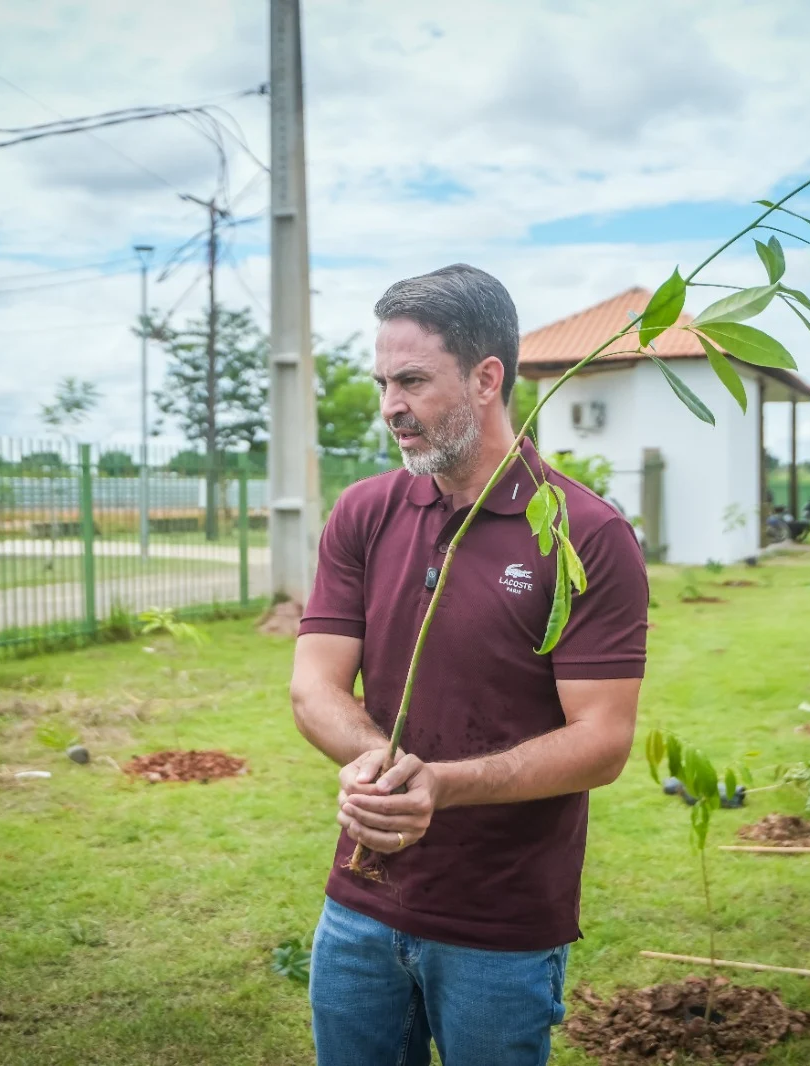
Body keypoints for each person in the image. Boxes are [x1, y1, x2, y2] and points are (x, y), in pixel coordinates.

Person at [290, 264, 649, 1066]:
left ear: (488, 378)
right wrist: (375, 762)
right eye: (383, 381)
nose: (391, 407)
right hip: (359, 905)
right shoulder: (366, 512)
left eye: (412, 381)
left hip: (501, 925)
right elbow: (313, 685)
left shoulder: (585, 533)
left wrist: (444, 786)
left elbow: (604, 739)